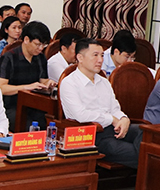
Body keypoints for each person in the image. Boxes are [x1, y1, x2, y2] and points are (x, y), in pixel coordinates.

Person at [59, 39, 142, 168]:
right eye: (95, 55)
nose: (100, 60)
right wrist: (111, 119)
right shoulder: (69, 83)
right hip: (92, 135)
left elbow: (115, 108)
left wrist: (123, 119)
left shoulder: (104, 82)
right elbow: (80, 115)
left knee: (144, 133)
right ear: (80, 57)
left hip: (114, 129)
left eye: (102, 55)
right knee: (142, 153)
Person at [0, 21, 53, 128]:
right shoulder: (9, 58)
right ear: (26, 39)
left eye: (44, 45)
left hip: (34, 105)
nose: (41, 48)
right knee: (27, 126)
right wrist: (25, 87)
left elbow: (43, 81)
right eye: (38, 44)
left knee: (47, 122)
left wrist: (49, 83)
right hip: (11, 106)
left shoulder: (40, 57)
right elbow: (0, 88)